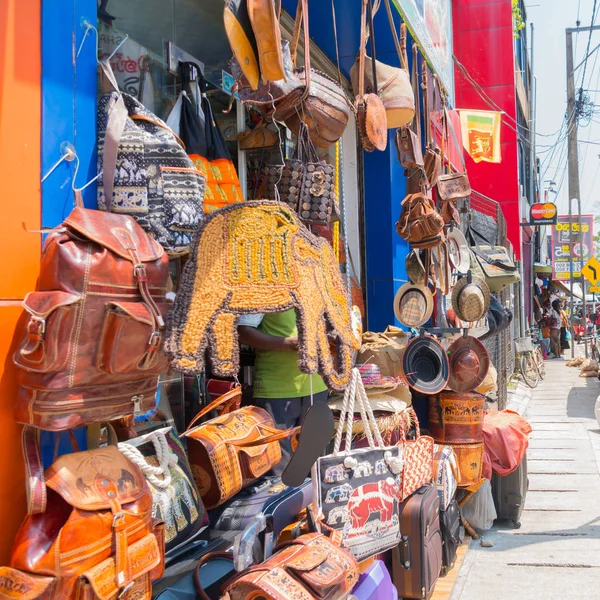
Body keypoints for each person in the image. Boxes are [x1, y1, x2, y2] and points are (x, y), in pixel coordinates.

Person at [238, 310, 329, 475]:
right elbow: (243, 331)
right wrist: (289, 344)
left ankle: (313, 501)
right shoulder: (266, 289)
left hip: (317, 386)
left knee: (315, 466)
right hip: (276, 389)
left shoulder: (316, 289)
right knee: (279, 467)